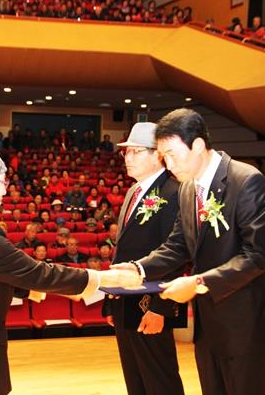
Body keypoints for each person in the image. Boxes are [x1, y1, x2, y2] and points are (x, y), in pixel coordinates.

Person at [0, 145, 140, 395]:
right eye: (1, 181)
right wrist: (107, 277)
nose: (5, 188)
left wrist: (25, 291)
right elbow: (41, 274)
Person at [117, 108, 265, 395]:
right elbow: (177, 245)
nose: (168, 164)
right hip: (210, 325)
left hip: (248, 325)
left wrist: (198, 283)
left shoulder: (245, 180)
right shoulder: (188, 189)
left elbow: (256, 255)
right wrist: (138, 268)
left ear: (197, 145)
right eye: (163, 157)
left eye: (172, 154)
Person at [104, 122, 186, 395]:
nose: (128, 158)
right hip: (124, 301)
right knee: (135, 377)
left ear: (157, 154)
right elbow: (123, 251)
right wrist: (110, 301)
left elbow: (176, 254)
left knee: (160, 378)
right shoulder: (133, 192)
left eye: (136, 152)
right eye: (126, 152)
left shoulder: (174, 192)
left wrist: (161, 308)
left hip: (150, 302)